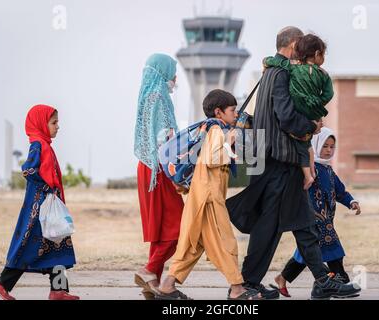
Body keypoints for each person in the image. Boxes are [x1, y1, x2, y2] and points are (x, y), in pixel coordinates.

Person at [226, 26, 361, 300]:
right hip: (279, 160)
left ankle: (319, 280)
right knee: (277, 225)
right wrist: (311, 126)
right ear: (293, 44)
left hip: (274, 158)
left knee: (299, 222)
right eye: (300, 45)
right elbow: (287, 116)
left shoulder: (270, 73)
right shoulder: (280, 74)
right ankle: (248, 284)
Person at [156, 90, 261, 300]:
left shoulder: (213, 128)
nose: (235, 114)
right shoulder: (216, 129)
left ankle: (167, 285)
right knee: (225, 241)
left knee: (193, 244)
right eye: (232, 110)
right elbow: (212, 158)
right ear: (219, 112)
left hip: (201, 194)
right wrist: (230, 141)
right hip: (209, 197)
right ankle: (237, 289)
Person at [0, 104, 79, 300]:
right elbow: (28, 169)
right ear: (41, 124)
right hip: (38, 210)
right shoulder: (38, 145)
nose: (58, 126)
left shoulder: (46, 146)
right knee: (28, 247)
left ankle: (59, 291)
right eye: (54, 122)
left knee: (58, 244)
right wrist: (46, 186)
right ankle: (3, 283)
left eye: (57, 122)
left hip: (49, 207)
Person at [272, 127, 362, 297]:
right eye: (325, 146)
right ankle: (340, 281)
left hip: (327, 219)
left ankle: (284, 278)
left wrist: (351, 201)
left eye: (331, 147)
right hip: (312, 218)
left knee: (308, 252)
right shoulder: (309, 168)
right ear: (315, 145)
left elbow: (340, 191)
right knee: (333, 248)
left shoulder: (328, 170)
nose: (328, 150)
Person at [133, 53, 184, 299]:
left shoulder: (146, 97)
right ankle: (150, 269)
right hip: (160, 169)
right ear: (163, 73)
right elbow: (167, 140)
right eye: (173, 72)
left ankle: (152, 279)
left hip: (146, 167)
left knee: (163, 226)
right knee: (180, 224)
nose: (175, 78)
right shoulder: (161, 98)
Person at [264, 33, 333, 190]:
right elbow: (329, 94)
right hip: (313, 111)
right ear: (317, 54)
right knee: (307, 143)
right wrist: (318, 103)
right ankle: (311, 171)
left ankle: (308, 175)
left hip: (299, 110)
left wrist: (266, 61)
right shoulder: (323, 74)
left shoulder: (292, 69)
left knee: (302, 144)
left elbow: (276, 62)